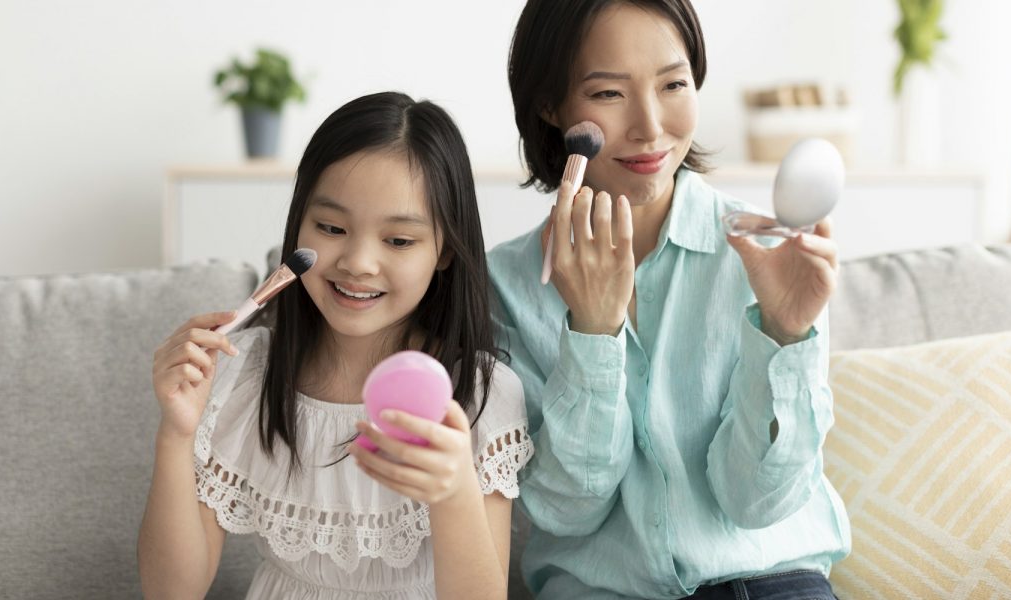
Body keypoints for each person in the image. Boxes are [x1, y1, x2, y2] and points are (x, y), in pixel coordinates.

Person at [489, 1, 851, 598]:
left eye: (673, 84)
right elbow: (564, 509)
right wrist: (593, 333)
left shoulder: (767, 257)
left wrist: (785, 334)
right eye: (608, 93)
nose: (650, 126)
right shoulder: (507, 284)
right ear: (551, 105)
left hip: (770, 583)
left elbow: (756, 501)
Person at [138, 91, 533, 600]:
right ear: (299, 226)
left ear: (444, 252)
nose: (358, 262)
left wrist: (452, 490)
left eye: (398, 240)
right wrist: (175, 434)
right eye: (331, 228)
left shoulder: (480, 395)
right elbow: (171, 593)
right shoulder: (245, 377)